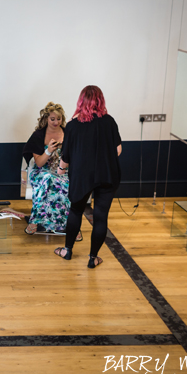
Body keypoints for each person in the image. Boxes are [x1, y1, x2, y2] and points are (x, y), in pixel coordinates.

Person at [54, 86, 122, 269]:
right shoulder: (109, 122)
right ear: (101, 100)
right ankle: (93, 258)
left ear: (81, 101)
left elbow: (66, 156)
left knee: (76, 210)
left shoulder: (73, 125)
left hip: (82, 176)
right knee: (100, 216)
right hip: (107, 175)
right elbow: (118, 150)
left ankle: (67, 251)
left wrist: (60, 170)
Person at [22, 102, 81, 240]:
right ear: (46, 119)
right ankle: (35, 222)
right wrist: (48, 150)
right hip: (42, 171)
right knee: (47, 179)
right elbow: (39, 163)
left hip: (64, 171)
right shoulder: (38, 135)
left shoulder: (68, 133)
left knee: (67, 184)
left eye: (59, 119)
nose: (56, 122)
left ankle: (70, 225)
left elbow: (75, 157)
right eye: (52, 119)